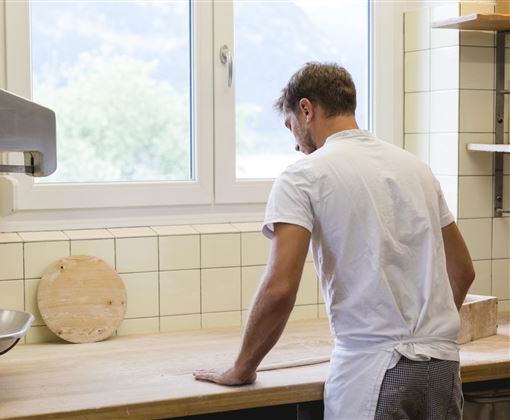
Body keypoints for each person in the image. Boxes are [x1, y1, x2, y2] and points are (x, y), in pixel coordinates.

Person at [193, 62, 475, 419]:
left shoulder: (303, 177)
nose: (295, 143)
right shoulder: (416, 168)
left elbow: (279, 289)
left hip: (374, 373)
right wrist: (425, 331)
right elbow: (463, 271)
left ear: (306, 109)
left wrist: (241, 368)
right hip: (443, 368)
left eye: (290, 124)